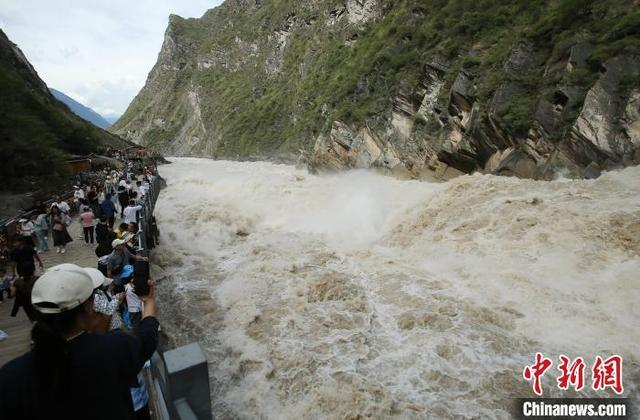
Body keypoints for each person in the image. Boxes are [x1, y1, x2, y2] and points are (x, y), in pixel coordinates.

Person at [0, 263, 159, 419]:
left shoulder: (10, 378)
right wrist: (148, 300)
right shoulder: (113, 347)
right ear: (89, 307)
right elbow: (147, 338)